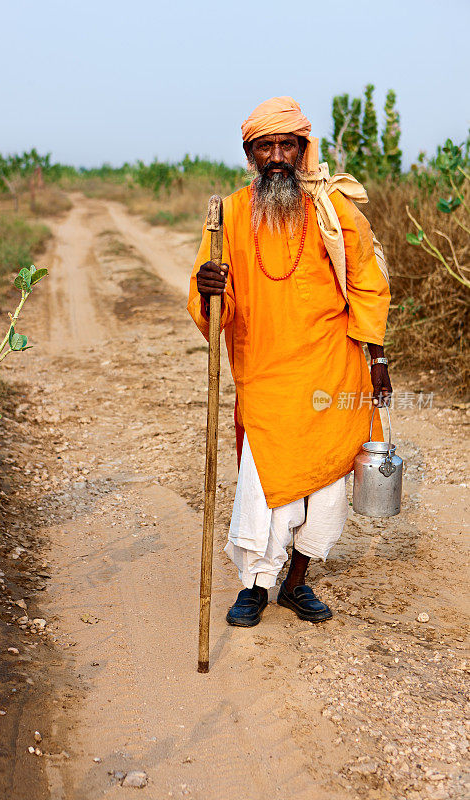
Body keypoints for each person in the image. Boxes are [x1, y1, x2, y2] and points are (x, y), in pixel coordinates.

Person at [187, 97, 391, 627]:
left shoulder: (332, 208)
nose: (277, 155)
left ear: (303, 150)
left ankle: (296, 582)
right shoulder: (229, 213)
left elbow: (368, 281)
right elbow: (214, 306)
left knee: (324, 487)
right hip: (265, 371)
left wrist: (379, 358)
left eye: (287, 145)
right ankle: (254, 585)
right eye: (265, 146)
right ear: (251, 153)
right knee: (262, 483)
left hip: (331, 365)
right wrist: (210, 289)